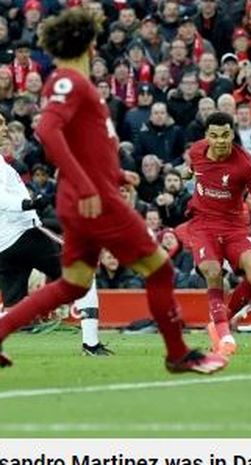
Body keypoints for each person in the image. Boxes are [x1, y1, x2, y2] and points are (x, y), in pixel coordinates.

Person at [0, 9, 227, 374]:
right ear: (89, 43)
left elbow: (84, 143)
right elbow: (48, 132)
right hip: (93, 202)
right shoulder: (68, 82)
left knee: (73, 284)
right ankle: (177, 353)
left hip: (88, 197)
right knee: (160, 269)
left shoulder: (76, 83)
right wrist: (91, 186)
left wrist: (117, 173)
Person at [0, 126, 112, 356]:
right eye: (0, 123)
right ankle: (91, 344)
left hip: (4, 245)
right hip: (24, 234)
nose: (4, 128)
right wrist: (27, 204)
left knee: (15, 308)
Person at [187, 111, 251, 357]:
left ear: (232, 134)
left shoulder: (245, 164)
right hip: (203, 224)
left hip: (235, 226)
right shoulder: (196, 151)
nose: (221, 141)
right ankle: (225, 336)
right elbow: (191, 168)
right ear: (206, 137)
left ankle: (219, 321)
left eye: (226, 135)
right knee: (213, 271)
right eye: (214, 136)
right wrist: (187, 173)